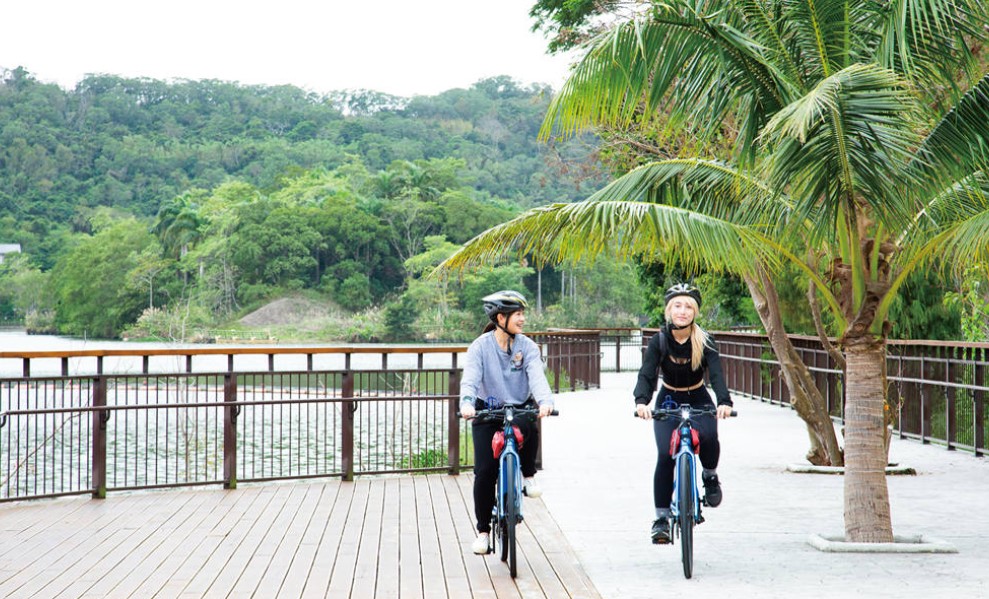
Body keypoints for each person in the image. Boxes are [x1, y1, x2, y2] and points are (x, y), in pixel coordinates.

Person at [633, 283, 733, 544]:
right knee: (666, 454)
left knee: (710, 436)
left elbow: (718, 375)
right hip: (668, 399)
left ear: (695, 312)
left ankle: (710, 477)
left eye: (688, 306)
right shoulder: (660, 340)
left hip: (698, 395)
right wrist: (641, 401)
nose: (683, 310)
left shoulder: (705, 340)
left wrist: (724, 401)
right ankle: (661, 519)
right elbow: (647, 372)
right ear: (669, 310)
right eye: (677, 305)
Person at [460, 290, 555, 555]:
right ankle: (483, 532)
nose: (523, 319)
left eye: (523, 314)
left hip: (518, 407)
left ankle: (527, 476)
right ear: (501, 318)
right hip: (486, 411)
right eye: (518, 315)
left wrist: (545, 402)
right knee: (485, 471)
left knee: (530, 423)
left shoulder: (528, 347)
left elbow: (537, 377)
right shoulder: (480, 347)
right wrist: (466, 404)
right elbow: (470, 379)